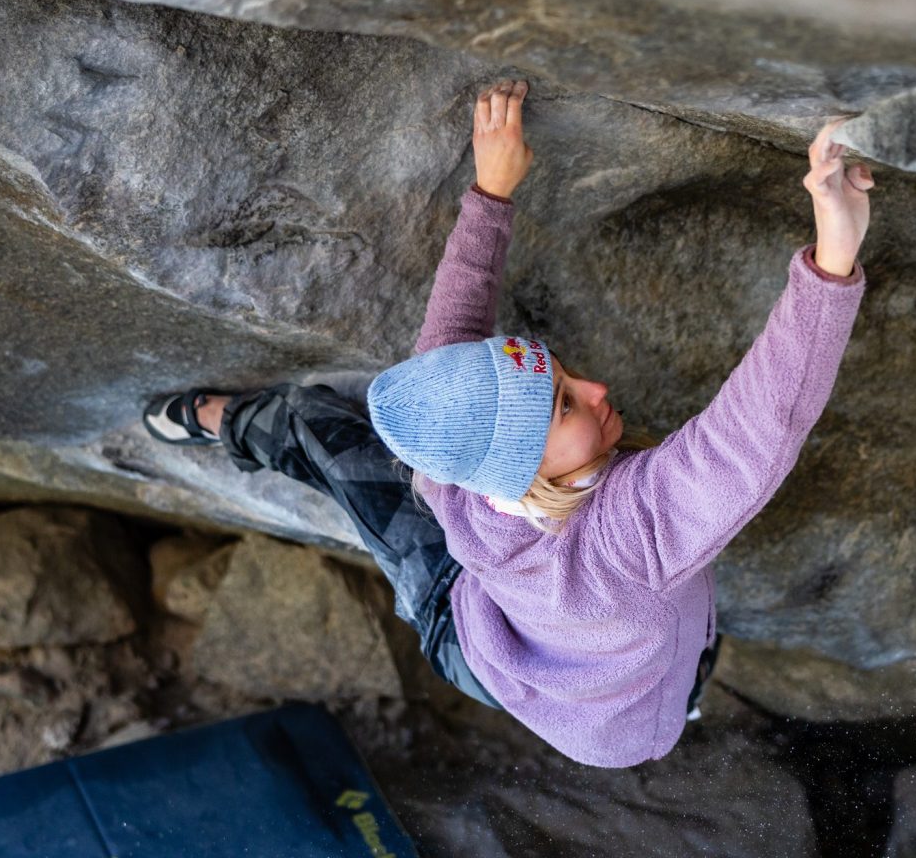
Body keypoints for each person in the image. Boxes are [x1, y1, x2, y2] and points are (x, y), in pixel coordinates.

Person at [143, 79, 873, 767]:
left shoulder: (460, 470)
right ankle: (224, 422)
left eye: (561, 383)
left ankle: (236, 422)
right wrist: (832, 256)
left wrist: (491, 192)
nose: (594, 387)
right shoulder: (628, 536)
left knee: (327, 440)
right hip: (588, 691)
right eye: (563, 403)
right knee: (314, 426)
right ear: (517, 468)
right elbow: (756, 430)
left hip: (474, 636)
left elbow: (448, 360)